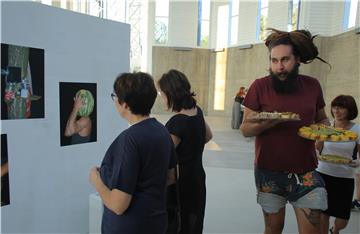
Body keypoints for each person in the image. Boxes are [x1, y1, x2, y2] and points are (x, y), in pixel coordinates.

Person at [240, 28, 331, 234]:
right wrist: (270, 121)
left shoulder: (312, 85)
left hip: (306, 171)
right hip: (269, 172)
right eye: (274, 61)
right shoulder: (260, 87)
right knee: (273, 229)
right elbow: (245, 129)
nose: (279, 67)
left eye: (285, 60)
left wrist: (322, 133)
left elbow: (322, 118)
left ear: (297, 59)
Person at [89, 72, 176, 234]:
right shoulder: (162, 131)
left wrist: (96, 180)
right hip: (155, 221)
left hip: (130, 226)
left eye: (115, 96)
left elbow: (118, 205)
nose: (114, 100)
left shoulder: (130, 139)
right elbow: (171, 176)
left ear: (126, 105)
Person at [157, 69, 213, 234]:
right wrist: (191, 147)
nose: (161, 98)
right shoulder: (197, 111)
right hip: (197, 176)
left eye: (162, 93)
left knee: (179, 224)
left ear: (171, 93)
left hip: (180, 183)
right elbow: (208, 136)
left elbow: (163, 158)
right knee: (194, 222)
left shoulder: (177, 123)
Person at [315, 95, 359, 234]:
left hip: (345, 177)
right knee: (323, 213)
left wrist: (358, 162)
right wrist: (317, 147)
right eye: (334, 107)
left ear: (350, 110)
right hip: (323, 174)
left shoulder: (357, 130)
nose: (336, 110)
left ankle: (335, 230)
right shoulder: (327, 126)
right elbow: (318, 148)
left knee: (342, 219)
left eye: (341, 108)